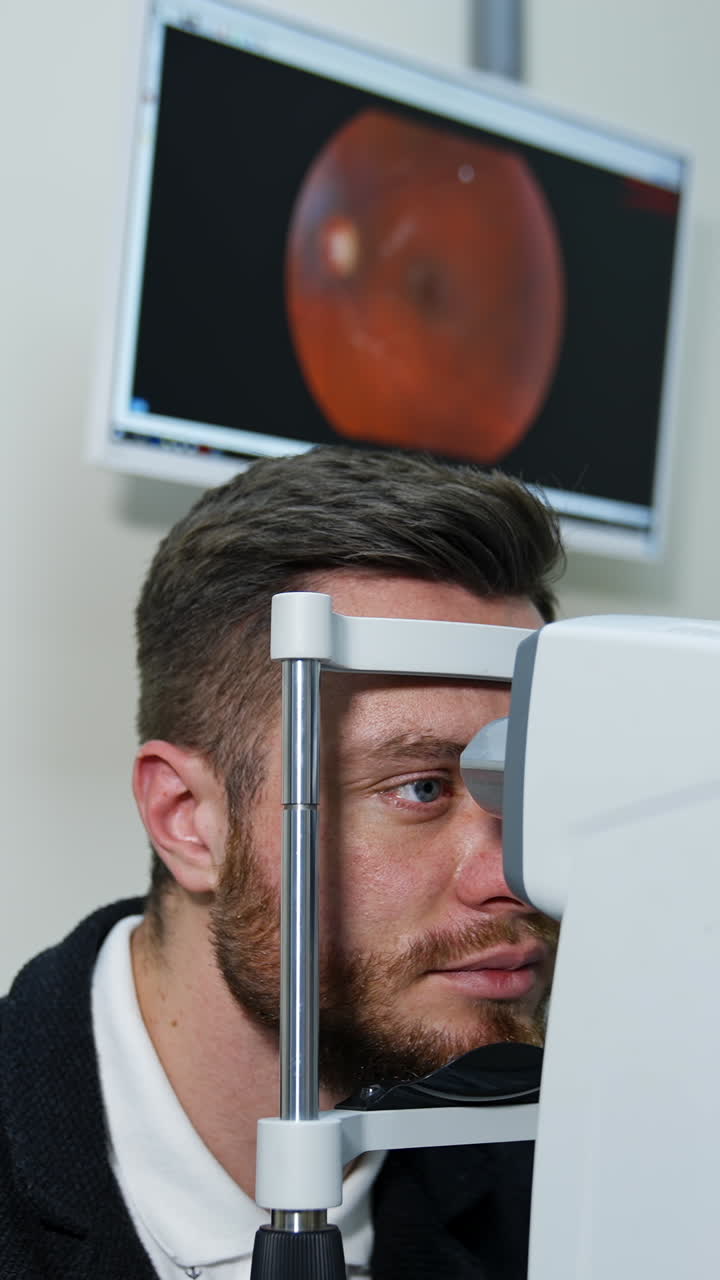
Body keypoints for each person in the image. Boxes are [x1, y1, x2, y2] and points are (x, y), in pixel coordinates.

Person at [0, 446, 564, 1279]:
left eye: (533, 788)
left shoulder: (557, 1180)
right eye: (419, 788)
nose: (514, 877)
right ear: (187, 820)